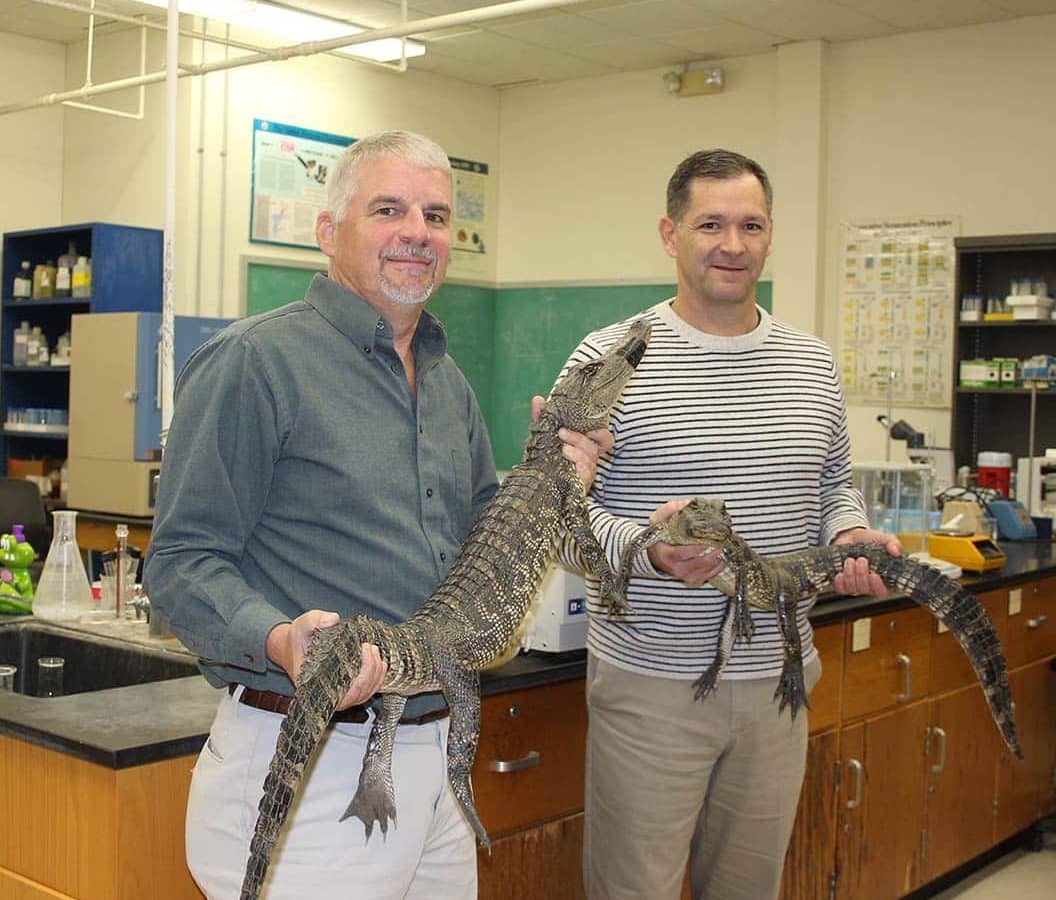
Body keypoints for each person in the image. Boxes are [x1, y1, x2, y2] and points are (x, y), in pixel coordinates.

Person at [143, 130, 608, 900]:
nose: (417, 233)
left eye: (435, 216)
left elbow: (487, 547)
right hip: (308, 753)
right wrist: (280, 637)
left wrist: (558, 482)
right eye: (388, 209)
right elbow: (181, 564)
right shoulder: (255, 363)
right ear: (329, 232)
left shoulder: (450, 385)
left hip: (431, 756)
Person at [554, 149, 901, 900]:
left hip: (780, 680)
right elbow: (560, 515)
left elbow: (833, 484)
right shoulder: (607, 360)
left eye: (750, 225)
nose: (732, 245)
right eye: (710, 223)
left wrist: (848, 534)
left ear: (770, 235)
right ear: (669, 233)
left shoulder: (813, 364)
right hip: (651, 685)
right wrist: (647, 552)